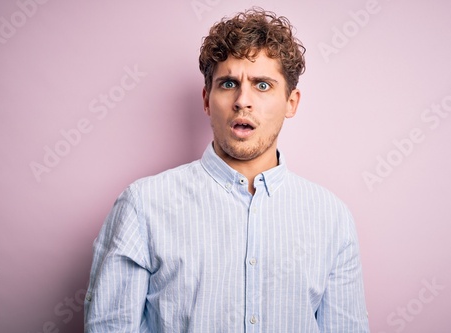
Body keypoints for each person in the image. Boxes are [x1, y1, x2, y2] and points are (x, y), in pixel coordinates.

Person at [84, 7, 369, 332]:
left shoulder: (331, 218)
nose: (242, 100)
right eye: (229, 83)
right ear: (207, 99)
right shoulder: (143, 206)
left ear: (291, 102)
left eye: (262, 85)